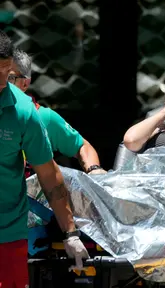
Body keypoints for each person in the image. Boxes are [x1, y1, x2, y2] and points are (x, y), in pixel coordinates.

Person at [0, 30, 89, 288]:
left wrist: (70, 233)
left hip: (7, 232)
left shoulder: (24, 111)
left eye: (8, 73)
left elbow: (49, 175)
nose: (3, 81)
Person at [8, 48, 106, 175]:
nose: (2, 84)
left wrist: (94, 170)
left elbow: (82, 146)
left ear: (25, 84)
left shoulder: (41, 117)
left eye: (10, 78)